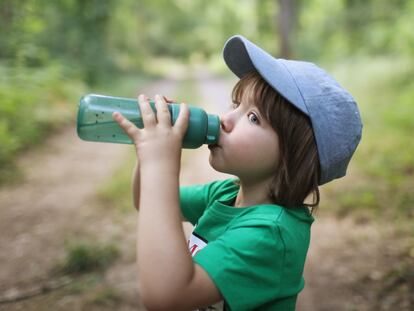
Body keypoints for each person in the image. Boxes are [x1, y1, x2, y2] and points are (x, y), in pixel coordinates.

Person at [112, 35, 362, 311]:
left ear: (294, 156)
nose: (225, 119)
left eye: (253, 117)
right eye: (235, 104)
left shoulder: (270, 234)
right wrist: (148, 152)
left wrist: (161, 163)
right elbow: (143, 200)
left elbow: (166, 295)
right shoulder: (225, 193)